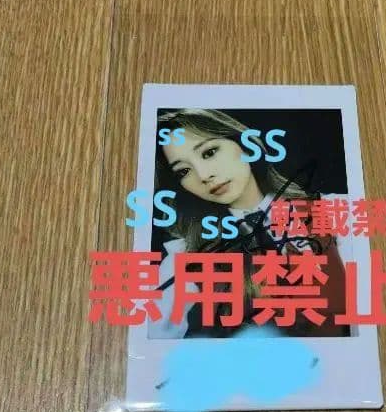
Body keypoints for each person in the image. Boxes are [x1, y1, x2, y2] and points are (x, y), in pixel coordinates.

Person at [146, 108, 355, 339]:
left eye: (209, 152)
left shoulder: (333, 212)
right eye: (184, 171)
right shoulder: (188, 256)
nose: (204, 175)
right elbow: (148, 337)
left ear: (245, 144)